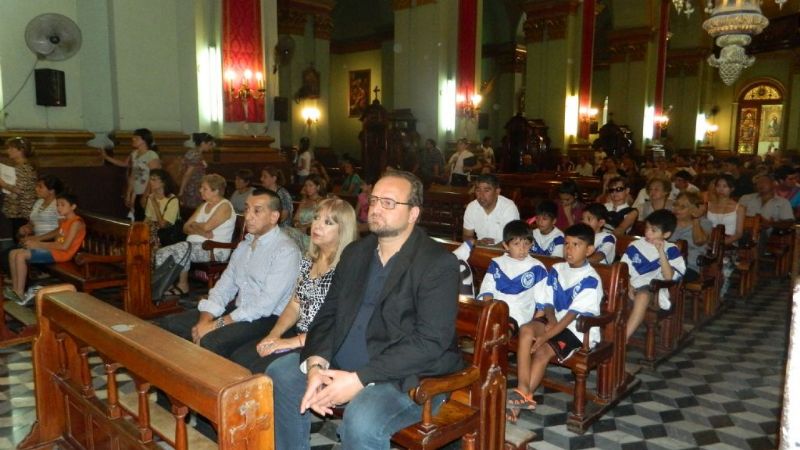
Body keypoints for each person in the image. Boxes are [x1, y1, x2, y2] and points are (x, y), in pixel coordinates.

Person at [267, 171, 463, 450]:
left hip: (405, 376)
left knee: (361, 419)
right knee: (281, 374)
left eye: (389, 203)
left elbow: (430, 341)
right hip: (343, 363)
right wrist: (316, 366)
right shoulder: (355, 253)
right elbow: (329, 315)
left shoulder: (437, 263)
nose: (376, 209)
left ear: (413, 213)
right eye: (374, 200)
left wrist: (360, 379)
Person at [153, 187, 301, 358]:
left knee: (210, 341)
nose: (248, 216)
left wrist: (215, 325)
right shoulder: (244, 245)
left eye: (257, 211)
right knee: (170, 324)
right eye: (246, 209)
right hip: (240, 310)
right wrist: (204, 321)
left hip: (267, 318)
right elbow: (225, 286)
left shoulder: (286, 251)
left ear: (274, 217)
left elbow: (264, 306)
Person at [230, 197, 358, 373]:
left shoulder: (347, 268)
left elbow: (337, 326)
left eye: (328, 222)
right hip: (298, 332)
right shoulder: (309, 260)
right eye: (316, 218)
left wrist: (288, 343)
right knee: (240, 357)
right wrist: (274, 335)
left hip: (320, 345)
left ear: (343, 230)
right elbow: (294, 304)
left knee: (258, 369)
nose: (317, 225)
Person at [507, 223, 602, 417]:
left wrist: (546, 336)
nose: (569, 249)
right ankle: (523, 388)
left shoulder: (591, 279)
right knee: (526, 330)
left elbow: (571, 316)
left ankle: (520, 400)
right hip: (556, 321)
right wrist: (550, 320)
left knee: (542, 352)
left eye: (576, 245)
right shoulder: (557, 269)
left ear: (589, 250)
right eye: (566, 244)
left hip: (577, 330)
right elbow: (548, 302)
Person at [154, 174, 236, 297]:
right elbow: (185, 227)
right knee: (161, 252)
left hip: (215, 250)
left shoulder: (224, 206)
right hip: (194, 246)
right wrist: (201, 230)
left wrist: (196, 226)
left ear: (216, 191)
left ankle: (178, 286)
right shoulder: (204, 205)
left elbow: (207, 227)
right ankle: (164, 287)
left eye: (204, 188)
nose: (200, 190)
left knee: (183, 248)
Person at [5, 193, 86, 304]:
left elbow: (64, 246)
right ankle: (15, 290)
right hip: (55, 250)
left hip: (62, 254)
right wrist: (36, 240)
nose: (59, 208)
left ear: (73, 206)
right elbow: (57, 237)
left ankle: (19, 293)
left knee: (20, 255)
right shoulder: (65, 221)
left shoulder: (76, 223)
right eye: (57, 205)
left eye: (62, 205)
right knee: (13, 253)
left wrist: (38, 244)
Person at [621, 210, 685, 340]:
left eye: (653, 230)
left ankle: (622, 339)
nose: (647, 233)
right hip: (631, 285)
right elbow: (623, 269)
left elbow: (669, 277)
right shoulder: (635, 245)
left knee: (643, 296)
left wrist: (661, 252)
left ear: (666, 234)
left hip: (654, 289)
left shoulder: (671, 250)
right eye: (647, 228)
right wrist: (628, 285)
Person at [477, 220, 548, 331]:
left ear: (531, 244)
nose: (522, 249)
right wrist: (490, 313)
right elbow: (487, 292)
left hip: (520, 318)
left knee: (500, 330)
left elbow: (542, 304)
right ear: (506, 245)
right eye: (516, 244)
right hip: (495, 313)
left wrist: (533, 327)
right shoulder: (497, 264)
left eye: (526, 244)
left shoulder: (537, 268)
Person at [100, 128, 161, 220]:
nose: (133, 139)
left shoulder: (151, 155)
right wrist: (129, 193)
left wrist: (146, 194)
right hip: (137, 192)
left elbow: (154, 176)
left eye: (136, 138)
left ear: (144, 140)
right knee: (137, 218)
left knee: (147, 219)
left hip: (148, 192)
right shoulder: (134, 154)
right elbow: (131, 172)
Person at [462, 174, 520, 246]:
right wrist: (478, 242)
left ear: (497, 192)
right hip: (480, 248)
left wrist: (491, 248)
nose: (481, 195)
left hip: (505, 251)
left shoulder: (509, 208)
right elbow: (466, 236)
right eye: (478, 190)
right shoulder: (472, 207)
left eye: (486, 191)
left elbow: (513, 240)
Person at [0, 137, 38, 241]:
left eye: (11, 148)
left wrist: (3, 184)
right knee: (16, 236)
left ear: (21, 150)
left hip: (23, 210)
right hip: (15, 209)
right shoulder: (17, 166)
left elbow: (20, 190)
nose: (8, 151)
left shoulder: (25, 168)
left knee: (21, 239)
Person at [669, 192, 711, 283]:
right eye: (676, 205)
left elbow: (699, 241)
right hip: (666, 263)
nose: (677, 209)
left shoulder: (704, 223)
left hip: (689, 267)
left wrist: (696, 218)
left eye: (682, 207)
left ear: (694, 209)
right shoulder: (669, 223)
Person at [287, 175, 327, 251]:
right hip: (299, 231)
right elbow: (295, 218)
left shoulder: (323, 202)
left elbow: (321, 221)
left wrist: (305, 227)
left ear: (318, 187)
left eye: (310, 185)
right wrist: (297, 224)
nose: (307, 188)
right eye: (306, 185)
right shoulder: (304, 201)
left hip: (312, 234)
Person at [144, 169, 181, 250]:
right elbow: (147, 219)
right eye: (150, 179)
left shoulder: (173, 200)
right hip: (152, 233)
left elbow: (163, 225)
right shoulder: (151, 197)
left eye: (154, 179)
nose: (150, 182)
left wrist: (155, 204)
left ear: (163, 182)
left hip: (165, 236)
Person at [706, 174, 745, 246]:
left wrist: (721, 243)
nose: (721, 189)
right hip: (709, 242)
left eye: (725, 186)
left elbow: (739, 233)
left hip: (729, 244)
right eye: (718, 186)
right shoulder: (708, 205)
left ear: (732, 189)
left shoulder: (739, 208)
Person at [179, 133, 212, 210]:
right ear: (203, 143)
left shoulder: (192, 152)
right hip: (193, 188)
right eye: (209, 144)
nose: (211, 146)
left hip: (193, 187)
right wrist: (181, 191)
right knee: (193, 210)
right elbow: (188, 174)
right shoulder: (196, 155)